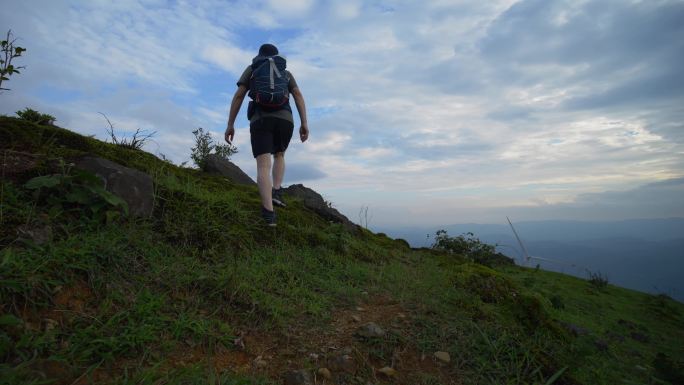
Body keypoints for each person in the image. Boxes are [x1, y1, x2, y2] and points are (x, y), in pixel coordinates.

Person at [225, 43, 309, 226]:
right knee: (279, 154)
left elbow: (239, 95)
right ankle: (277, 190)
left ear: (259, 55)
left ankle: (269, 214)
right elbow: (298, 95)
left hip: (261, 119)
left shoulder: (253, 70)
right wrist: (304, 123)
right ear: (277, 56)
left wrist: (230, 124)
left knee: (263, 165)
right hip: (285, 120)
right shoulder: (285, 73)